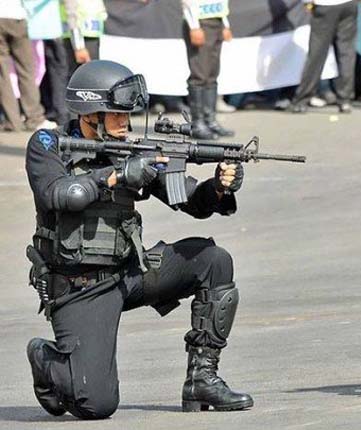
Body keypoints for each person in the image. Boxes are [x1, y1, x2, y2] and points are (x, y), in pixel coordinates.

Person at [25, 60, 253, 419]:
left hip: (130, 273)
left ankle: (202, 379)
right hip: (79, 287)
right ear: (90, 113)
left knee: (214, 260)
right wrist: (116, 176)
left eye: (127, 116)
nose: (125, 124)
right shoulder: (48, 144)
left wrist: (219, 188)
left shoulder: (129, 148)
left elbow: (192, 202)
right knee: (96, 404)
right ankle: (47, 359)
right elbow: (60, 194)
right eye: (116, 116)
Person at [290, 0, 358, 114]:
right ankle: (345, 99)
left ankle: (302, 99)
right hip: (348, 4)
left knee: (317, 53)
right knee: (346, 53)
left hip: (325, 5)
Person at [0, 0, 57, 132]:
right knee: (26, 70)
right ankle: (34, 117)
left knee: (2, 72)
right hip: (17, 17)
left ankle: (12, 121)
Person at [182, 0, 235, 139]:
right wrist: (194, 26)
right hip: (200, 22)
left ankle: (210, 120)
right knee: (199, 74)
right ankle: (197, 123)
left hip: (216, 20)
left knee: (212, 74)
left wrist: (225, 23)